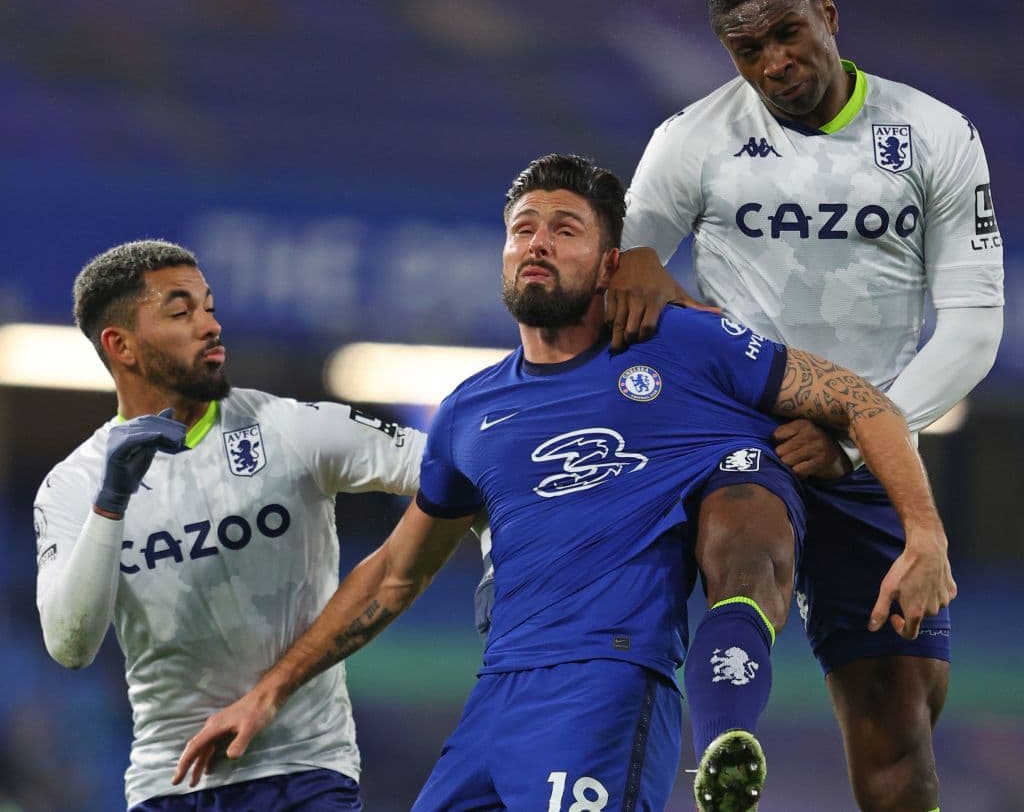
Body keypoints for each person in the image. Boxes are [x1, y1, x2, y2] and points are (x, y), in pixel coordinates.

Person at [174, 155, 954, 812]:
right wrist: (270, 689)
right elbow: (392, 576)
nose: (537, 244)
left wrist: (923, 533)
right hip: (493, 703)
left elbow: (860, 399)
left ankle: (727, 728)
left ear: (612, 262)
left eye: (564, 229)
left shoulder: (684, 346)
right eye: (523, 230)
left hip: (608, 689)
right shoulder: (471, 410)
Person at [606, 0, 1004, 812]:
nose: (775, 64)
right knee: (746, 556)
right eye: (748, 52)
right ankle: (724, 750)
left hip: (872, 445)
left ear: (828, 13)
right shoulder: (692, 140)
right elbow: (625, 274)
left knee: (898, 718)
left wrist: (859, 435)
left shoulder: (934, 135)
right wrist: (688, 317)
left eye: (788, 34)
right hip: (744, 432)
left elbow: (974, 322)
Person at [33, 239, 425, 811]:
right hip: (167, 786)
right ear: (122, 346)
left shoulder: (289, 428)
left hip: (304, 774)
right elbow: (71, 647)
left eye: (209, 306)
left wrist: (492, 547)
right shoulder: (73, 485)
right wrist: (111, 500)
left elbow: (452, 467)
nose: (210, 326)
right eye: (180, 312)